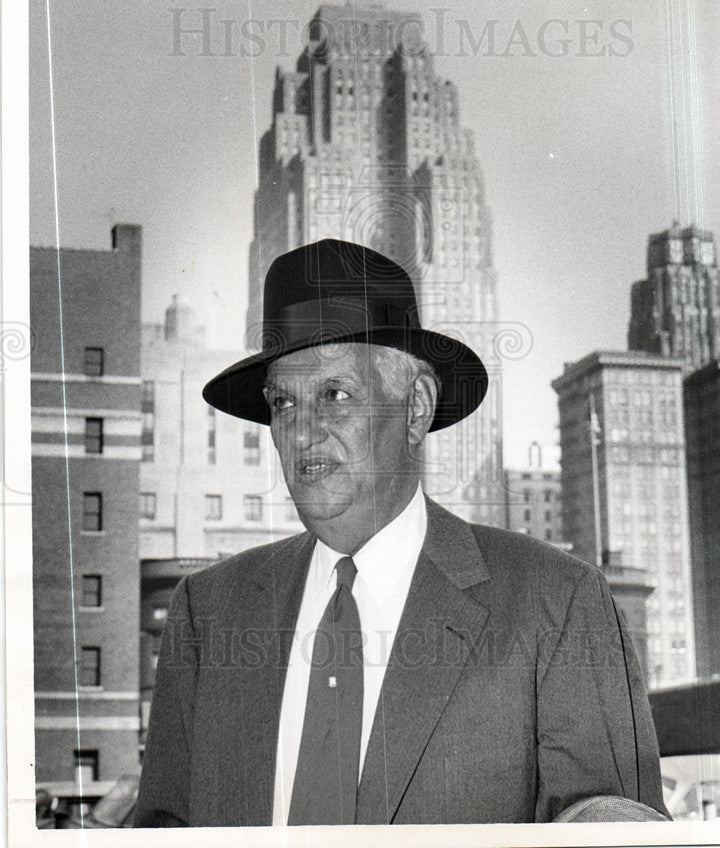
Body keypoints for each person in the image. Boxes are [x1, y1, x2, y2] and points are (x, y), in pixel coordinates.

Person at [134, 238, 668, 827]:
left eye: (335, 395)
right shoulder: (208, 613)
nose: (302, 431)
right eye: (282, 403)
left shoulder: (559, 604)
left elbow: (615, 826)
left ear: (415, 407)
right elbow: (162, 830)